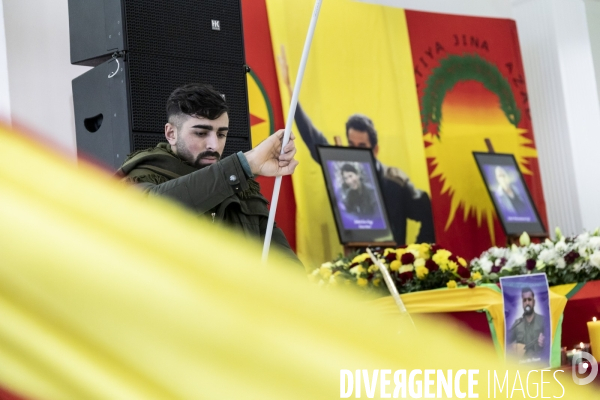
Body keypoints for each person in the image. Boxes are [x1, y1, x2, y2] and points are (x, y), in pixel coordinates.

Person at [117, 83, 300, 265]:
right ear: (171, 133)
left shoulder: (243, 189)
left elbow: (286, 267)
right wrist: (246, 164)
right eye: (201, 133)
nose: (214, 145)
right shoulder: (143, 174)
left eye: (221, 134)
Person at [277, 48, 435, 245]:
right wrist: (290, 89)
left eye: (362, 146)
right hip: (357, 264)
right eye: (352, 144)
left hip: (393, 265)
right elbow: (313, 137)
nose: (355, 151)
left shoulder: (395, 181)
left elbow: (424, 204)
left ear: (375, 149)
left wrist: (418, 253)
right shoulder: (342, 167)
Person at [507, 287, 545, 359]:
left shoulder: (543, 321)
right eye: (524, 300)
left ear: (534, 302)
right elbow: (506, 341)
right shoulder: (517, 323)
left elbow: (551, 341)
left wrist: (545, 342)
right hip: (522, 366)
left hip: (540, 363)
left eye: (529, 299)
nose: (527, 303)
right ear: (522, 304)